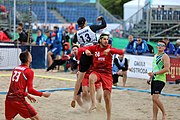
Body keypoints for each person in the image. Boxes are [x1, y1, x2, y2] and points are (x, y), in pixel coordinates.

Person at [84, 33, 124, 120]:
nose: (106, 41)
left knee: (107, 96)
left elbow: (121, 52)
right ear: (100, 40)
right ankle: (93, 103)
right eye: (104, 39)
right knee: (91, 78)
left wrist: (109, 51)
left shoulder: (110, 48)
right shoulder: (95, 48)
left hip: (107, 74)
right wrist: (86, 51)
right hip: (97, 71)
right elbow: (84, 48)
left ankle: (108, 117)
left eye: (107, 39)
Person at [5, 50, 51, 120]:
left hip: (9, 98)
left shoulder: (16, 68)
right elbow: (30, 90)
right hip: (18, 100)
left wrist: (27, 95)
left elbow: (16, 87)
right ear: (28, 59)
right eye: (30, 55)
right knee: (36, 118)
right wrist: (43, 94)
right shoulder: (29, 71)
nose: (31, 56)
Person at [71, 16, 106, 106]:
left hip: (85, 54)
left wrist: (81, 46)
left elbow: (73, 41)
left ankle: (74, 98)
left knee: (79, 78)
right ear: (85, 22)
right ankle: (96, 101)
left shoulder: (77, 34)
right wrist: (102, 19)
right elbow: (104, 25)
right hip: (94, 51)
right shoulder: (91, 28)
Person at [147, 40, 170, 120]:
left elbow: (167, 69)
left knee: (155, 98)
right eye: (159, 45)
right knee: (154, 101)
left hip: (160, 79)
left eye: (162, 45)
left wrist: (155, 74)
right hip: (154, 79)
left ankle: (164, 113)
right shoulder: (155, 55)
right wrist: (150, 78)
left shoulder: (165, 56)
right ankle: (154, 118)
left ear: (164, 47)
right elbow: (154, 69)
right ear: (156, 46)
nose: (160, 46)